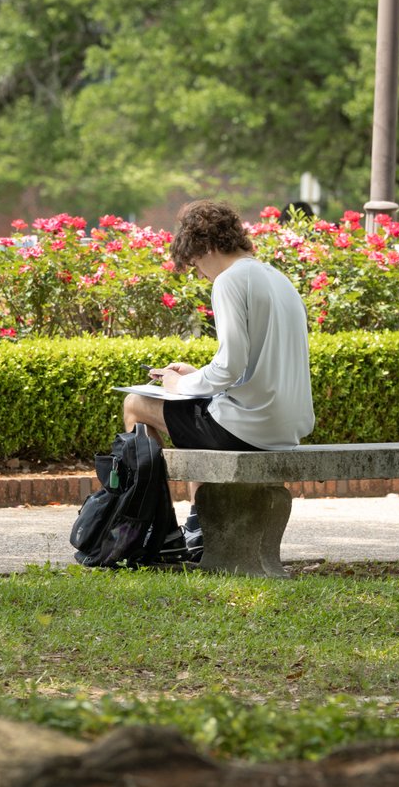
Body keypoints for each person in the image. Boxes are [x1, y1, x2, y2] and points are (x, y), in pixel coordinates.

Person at [123, 199, 314, 557]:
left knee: (136, 404)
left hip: (249, 427)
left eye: (196, 264)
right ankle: (197, 524)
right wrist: (197, 377)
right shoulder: (278, 279)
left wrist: (179, 385)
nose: (200, 274)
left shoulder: (229, 281)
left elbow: (228, 367)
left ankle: (155, 529)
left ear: (208, 247)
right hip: (285, 428)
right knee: (196, 407)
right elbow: (248, 366)